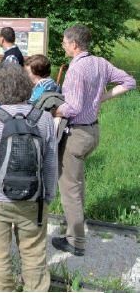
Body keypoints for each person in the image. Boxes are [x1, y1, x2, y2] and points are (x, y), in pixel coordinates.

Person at [0, 63, 57, 291]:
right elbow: (50, 163)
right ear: (26, 86)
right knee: (34, 254)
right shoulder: (45, 119)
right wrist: (48, 196)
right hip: (34, 200)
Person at [52, 24, 136, 256]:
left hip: (76, 134)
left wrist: (52, 110)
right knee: (76, 184)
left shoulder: (77, 69)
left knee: (69, 189)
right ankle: (75, 227)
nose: (62, 45)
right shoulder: (100, 63)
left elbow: (74, 107)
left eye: (65, 41)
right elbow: (130, 82)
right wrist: (102, 98)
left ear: (74, 45)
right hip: (92, 132)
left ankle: (76, 242)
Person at [0, 27, 25, 110]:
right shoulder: (12, 54)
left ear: (2, 39)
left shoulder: (11, 56)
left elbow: (10, 81)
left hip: (5, 101)